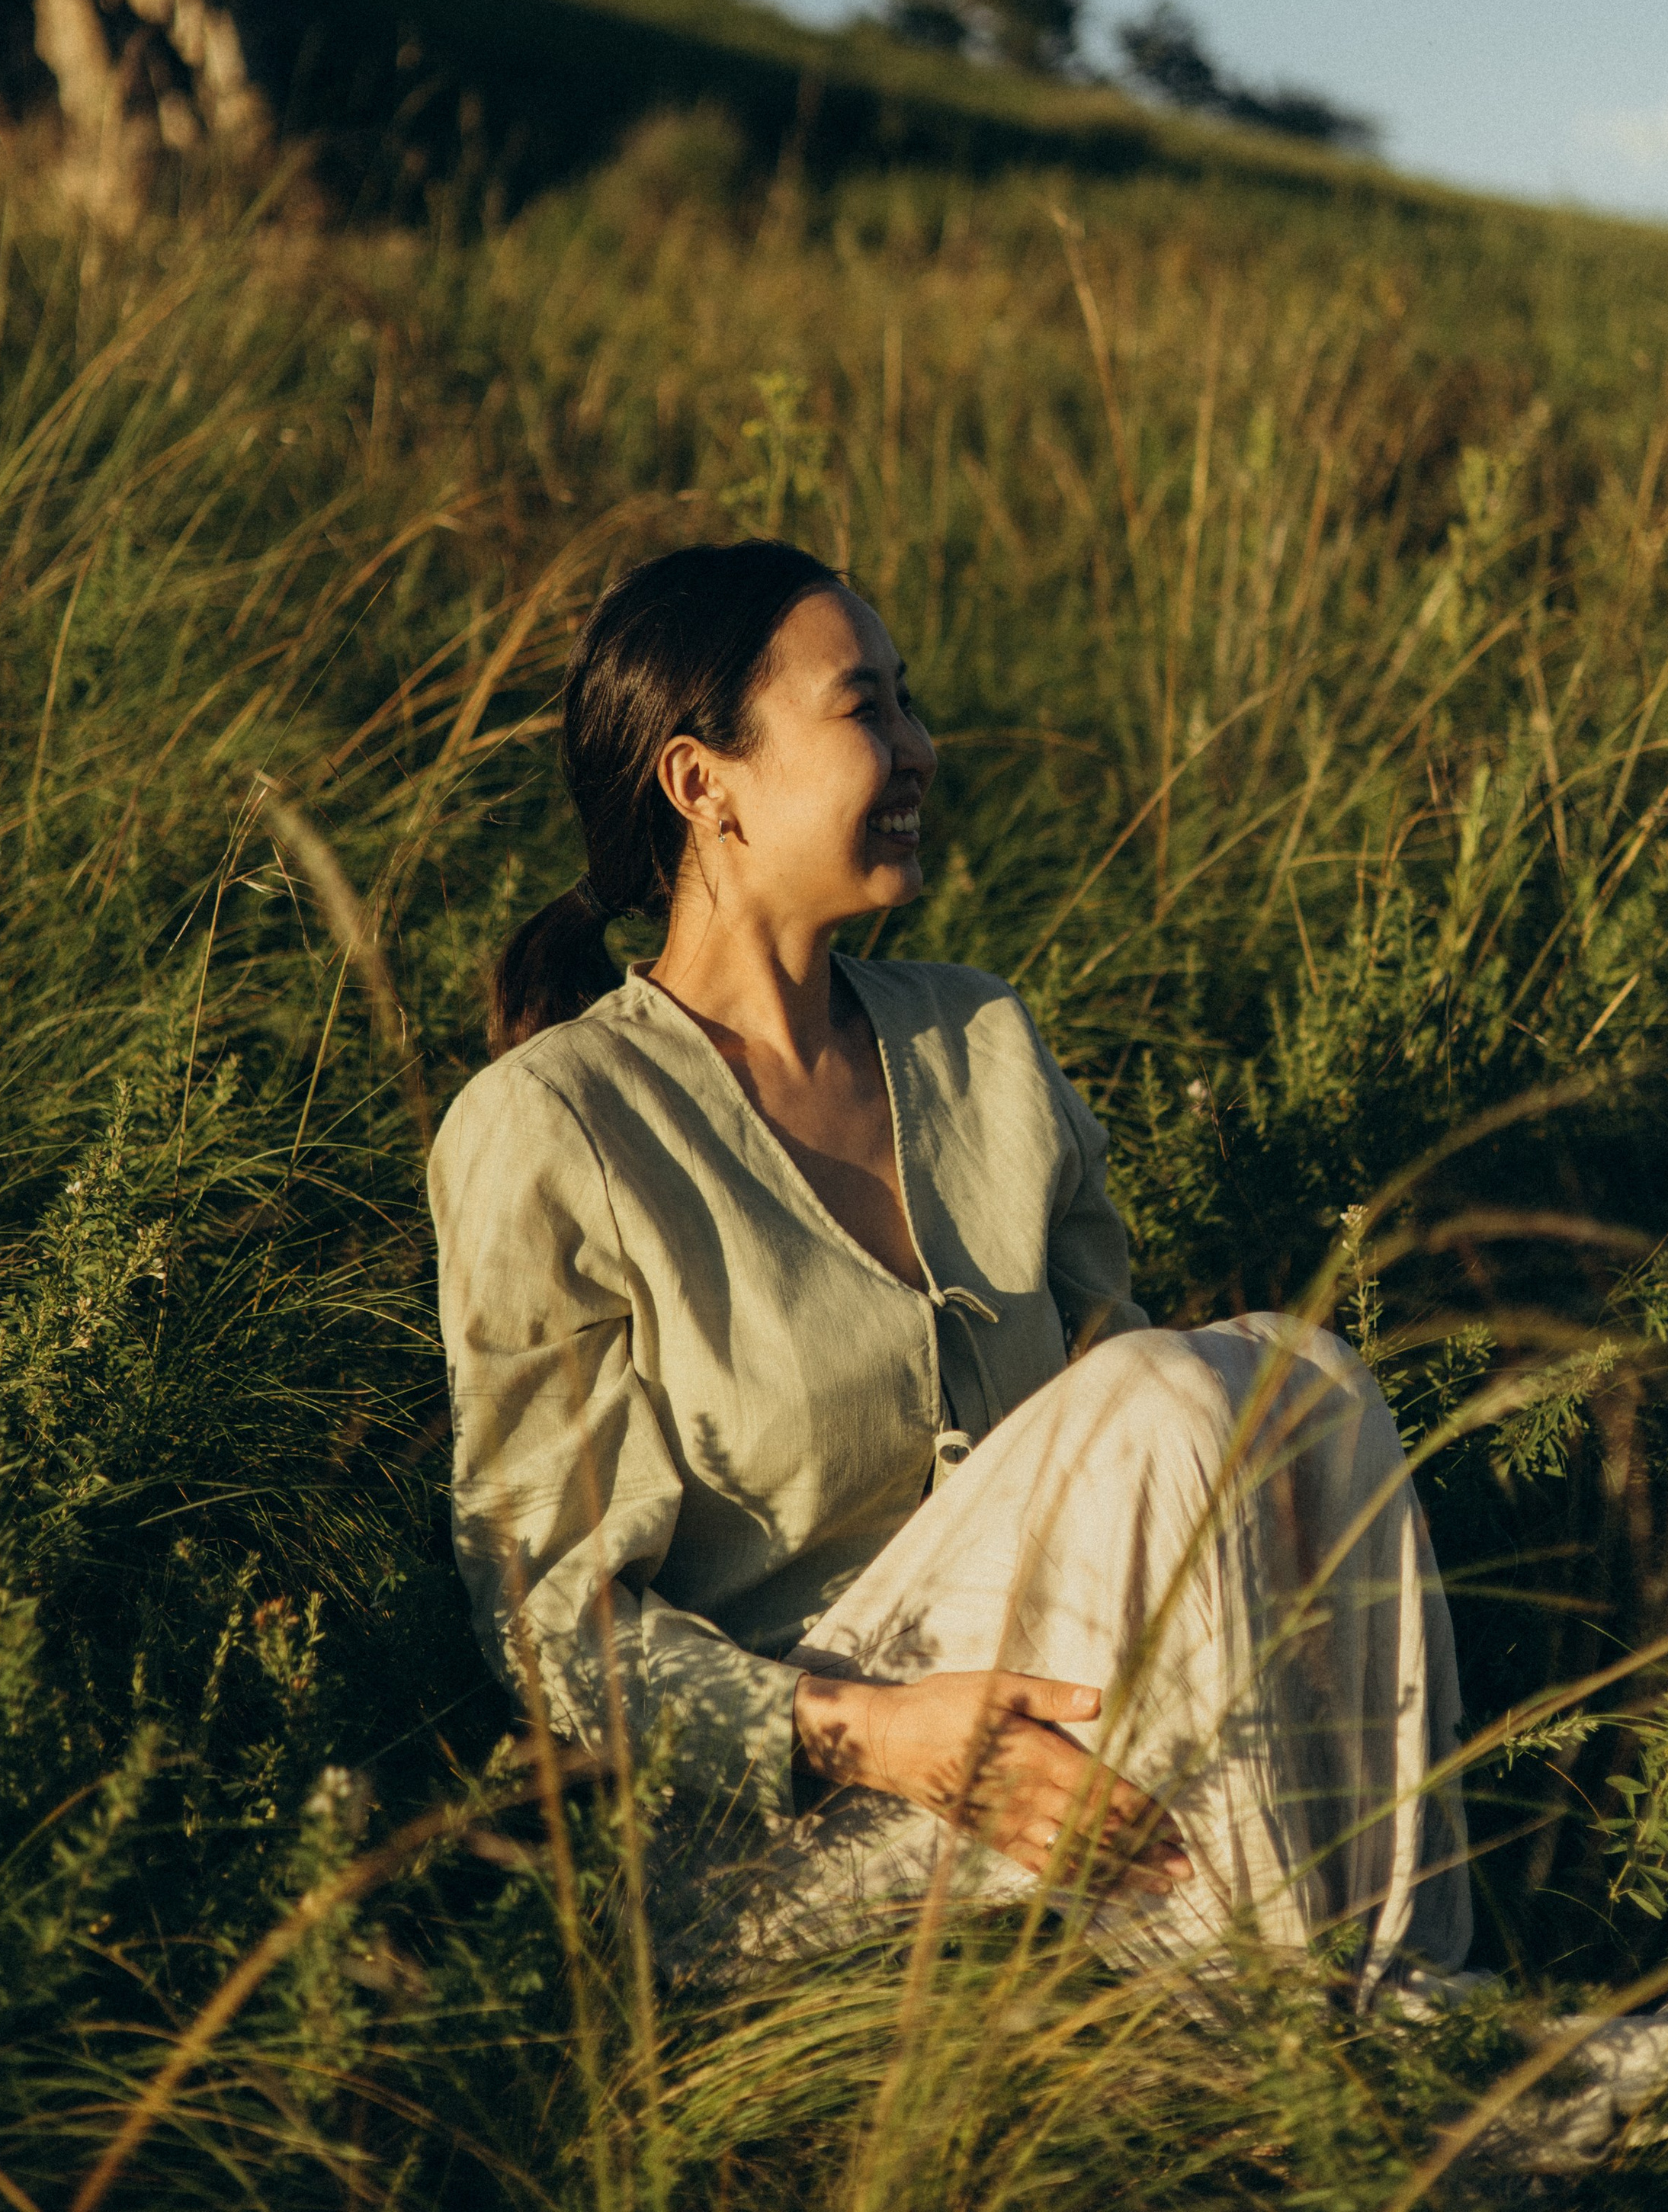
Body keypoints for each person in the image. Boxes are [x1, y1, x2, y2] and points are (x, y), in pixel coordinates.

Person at [429, 539, 1471, 1988]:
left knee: (1303, 1386)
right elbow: (547, 1623)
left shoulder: (979, 1039)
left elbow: (1135, 1460)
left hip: (1059, 1733)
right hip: (771, 1827)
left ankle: (1372, 1989)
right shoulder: (555, 1124)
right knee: (1185, 1398)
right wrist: (873, 1733)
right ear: (701, 782)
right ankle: (1305, 2037)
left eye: (909, 702)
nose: (920, 747)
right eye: (867, 708)